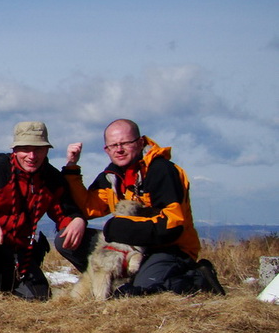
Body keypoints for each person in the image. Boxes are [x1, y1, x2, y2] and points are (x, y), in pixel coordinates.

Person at [55, 118, 224, 296]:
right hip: (128, 248)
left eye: (125, 143)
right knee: (65, 239)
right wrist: (72, 168)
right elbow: (88, 207)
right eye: (113, 145)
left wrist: (120, 228)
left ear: (140, 142)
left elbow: (172, 225)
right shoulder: (112, 177)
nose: (119, 149)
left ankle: (198, 278)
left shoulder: (161, 171)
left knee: (142, 292)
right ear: (106, 149)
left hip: (168, 248)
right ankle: (116, 279)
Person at [0, 121, 87, 299]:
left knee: (40, 297)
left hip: (19, 252)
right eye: (25, 148)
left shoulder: (52, 178)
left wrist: (78, 220)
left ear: (47, 150)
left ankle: (4, 281)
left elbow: (66, 212)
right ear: (15, 150)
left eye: (38, 149)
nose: (32, 156)